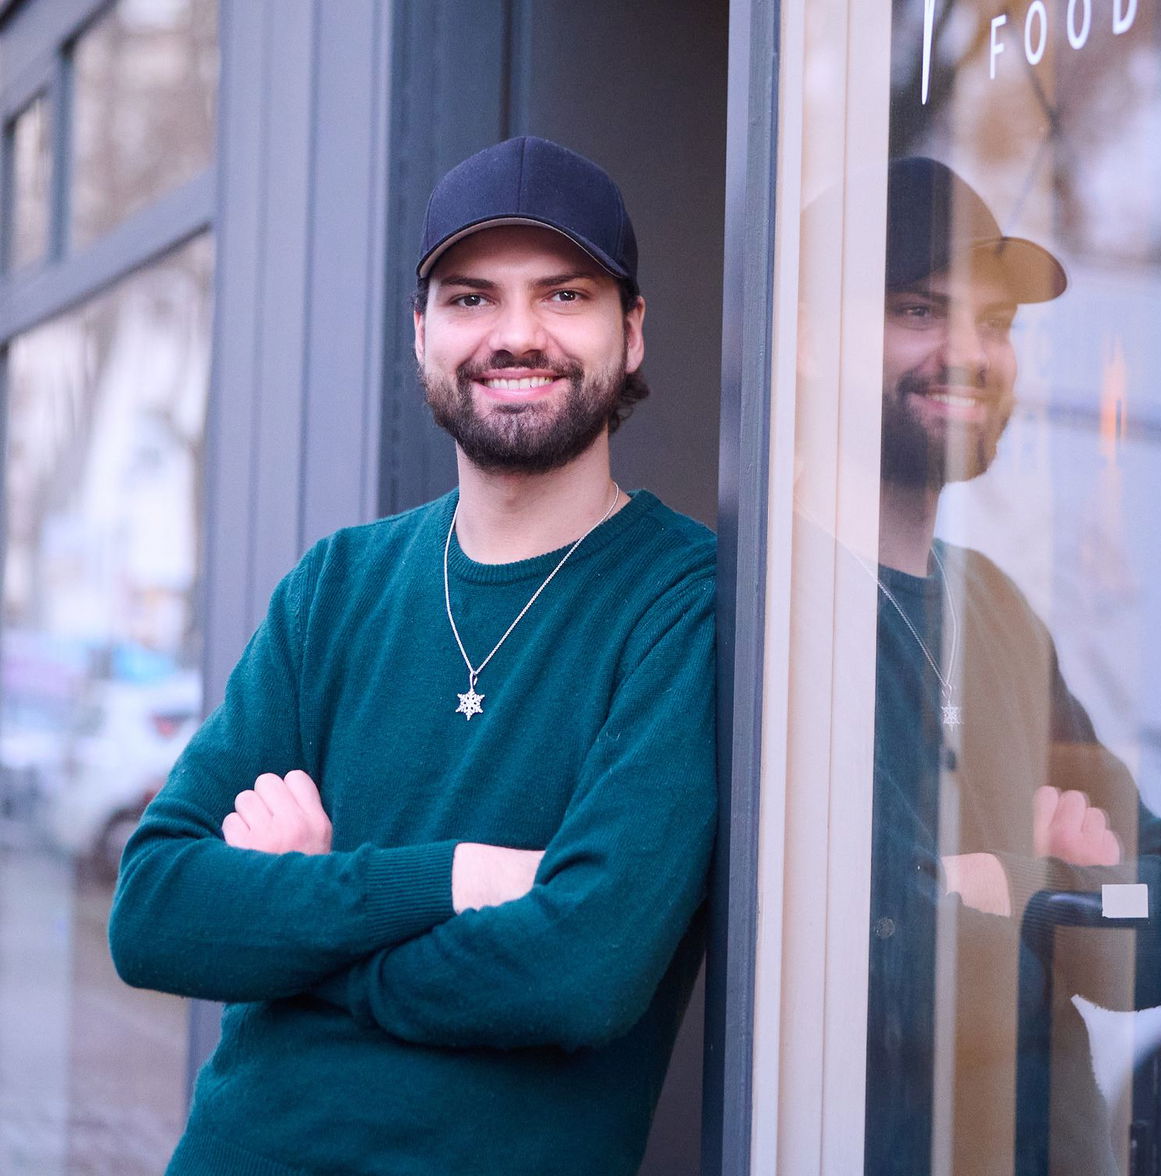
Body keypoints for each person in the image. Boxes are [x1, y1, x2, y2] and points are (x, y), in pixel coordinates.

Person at [108, 136, 716, 1176]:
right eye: (471, 298)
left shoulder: (686, 601)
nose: (515, 335)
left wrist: (304, 923)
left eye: (564, 295)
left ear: (633, 331)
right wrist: (455, 879)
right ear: (422, 333)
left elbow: (581, 967)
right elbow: (157, 911)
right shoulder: (334, 587)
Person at [860, 157, 1161, 1175]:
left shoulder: (998, 613)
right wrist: (1060, 887)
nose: (969, 353)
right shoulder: (766, 613)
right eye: (919, 310)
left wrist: (1021, 890)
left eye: (997, 323)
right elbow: (897, 967)